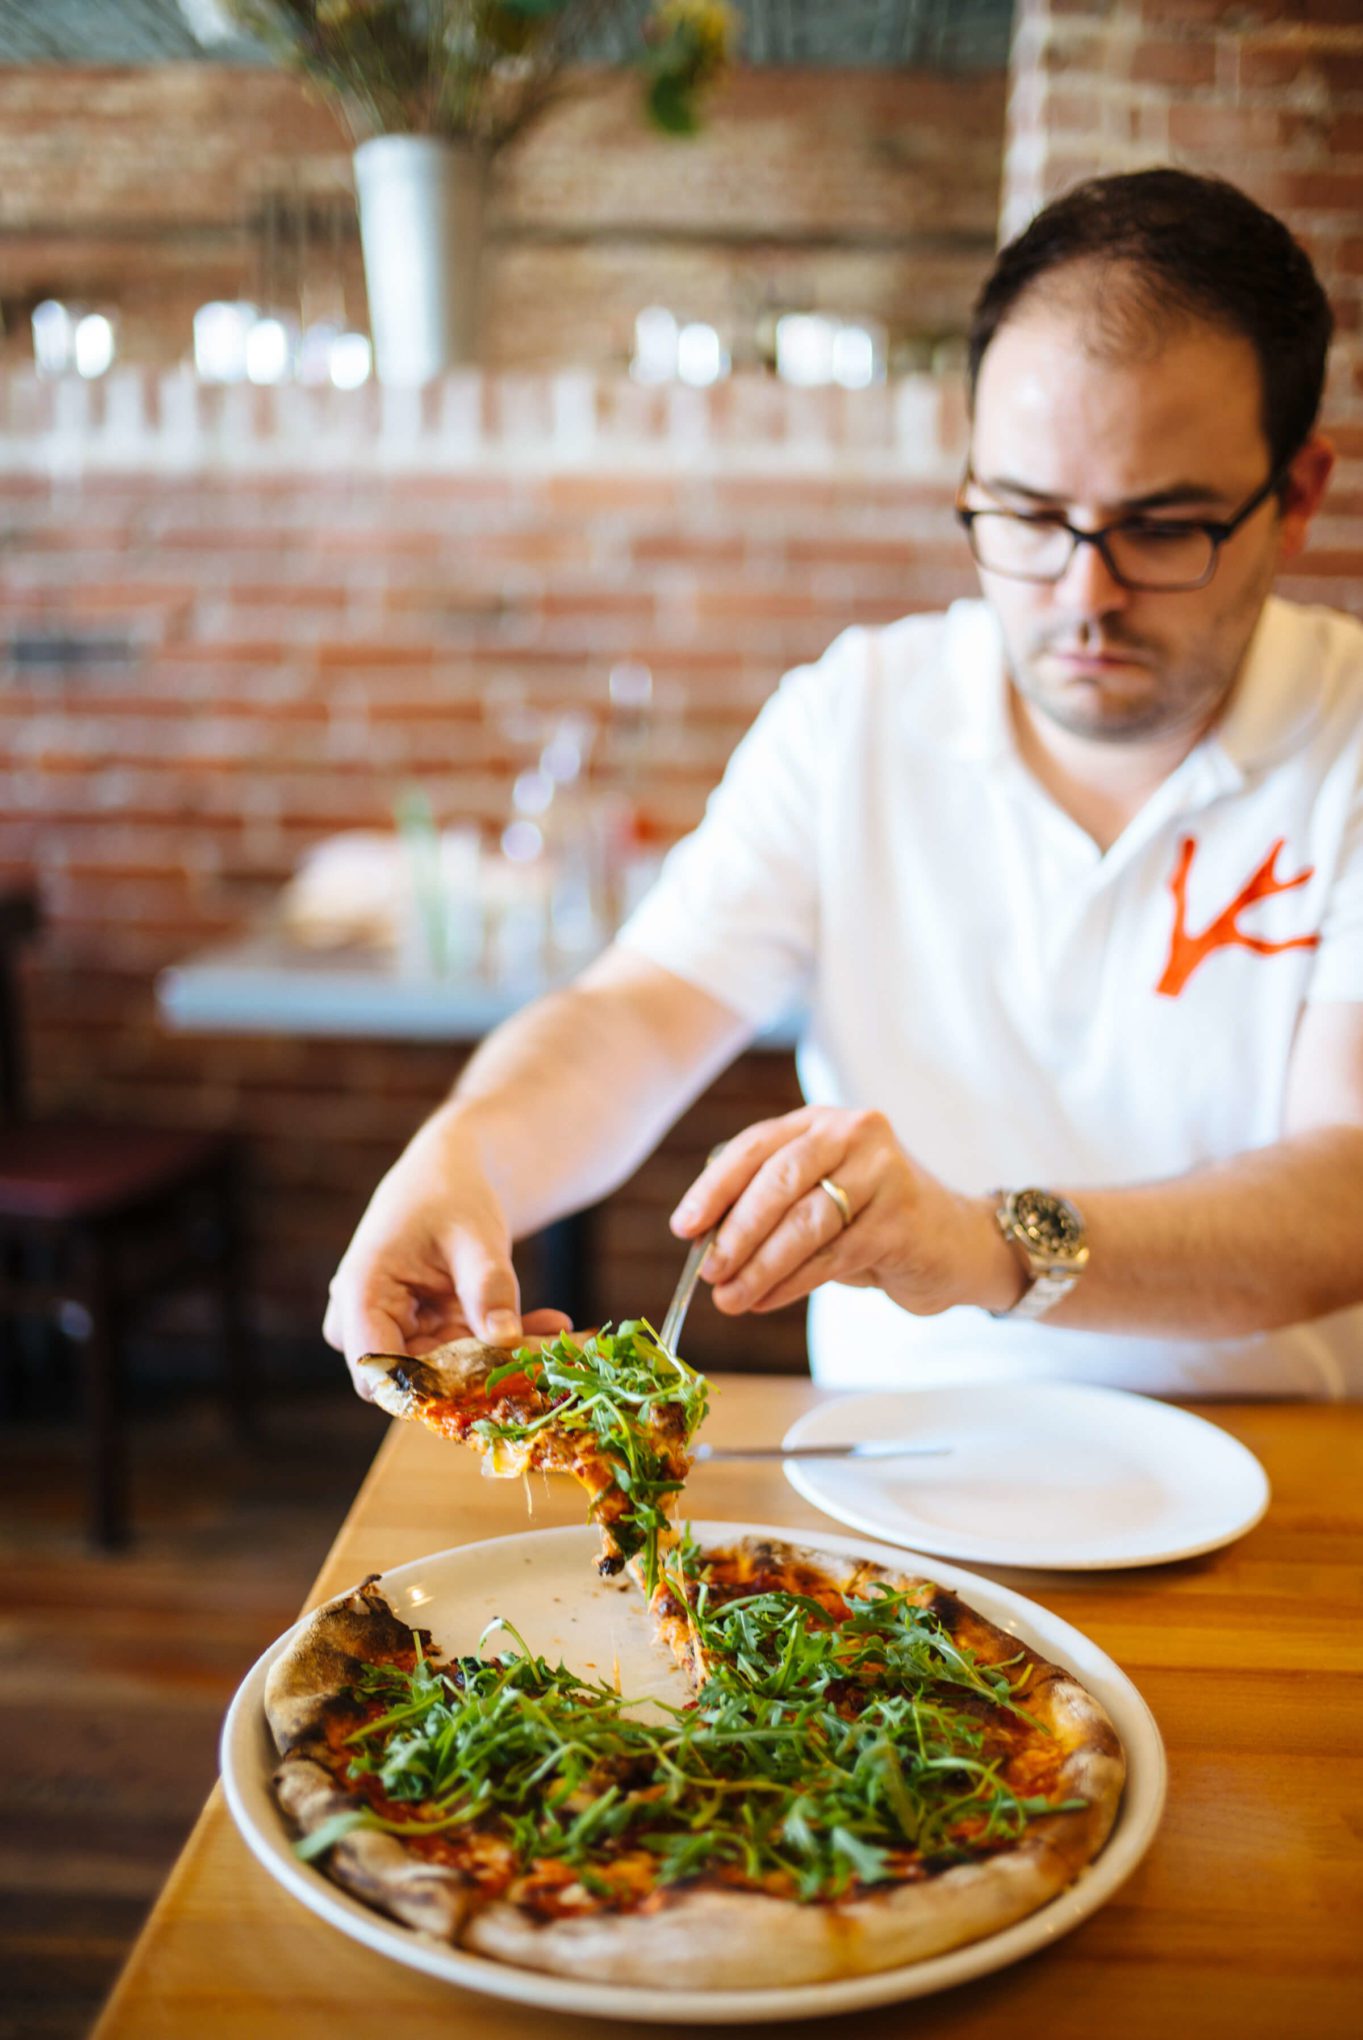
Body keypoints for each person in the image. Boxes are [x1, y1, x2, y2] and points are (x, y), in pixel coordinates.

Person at [326, 167, 1363, 1402]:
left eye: (1160, 527)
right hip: (893, 1493)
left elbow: (1340, 1188)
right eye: (1025, 516)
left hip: (1270, 1496)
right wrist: (465, 1157)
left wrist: (982, 1242)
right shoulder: (857, 714)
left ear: (1295, 495)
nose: (1082, 595)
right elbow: (635, 1014)